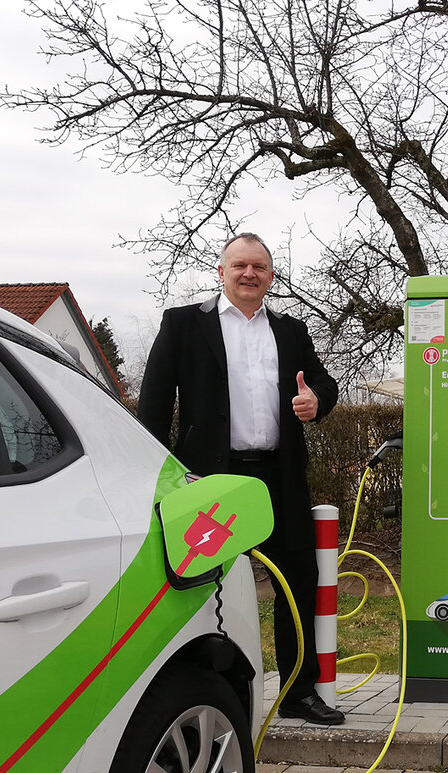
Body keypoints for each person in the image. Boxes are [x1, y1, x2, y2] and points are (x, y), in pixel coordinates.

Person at [138, 233, 345, 726]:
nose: (249, 274)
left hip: (279, 477)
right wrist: (155, 476)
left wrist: (316, 401)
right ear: (221, 271)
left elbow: (324, 383)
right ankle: (194, 692)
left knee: (298, 582)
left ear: (271, 276)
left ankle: (298, 692)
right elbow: (154, 404)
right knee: (202, 586)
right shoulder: (184, 324)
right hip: (211, 482)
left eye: (259, 267)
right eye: (239, 265)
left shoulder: (292, 332)